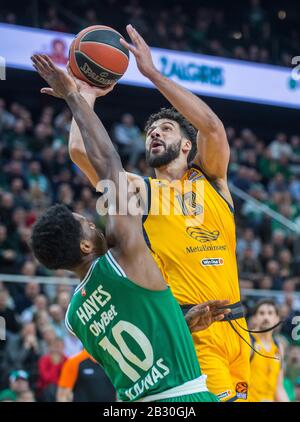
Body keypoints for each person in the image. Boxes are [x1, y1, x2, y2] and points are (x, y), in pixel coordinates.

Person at [63, 25, 251, 401]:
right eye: (150, 131)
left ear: (186, 144)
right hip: (193, 332)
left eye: (165, 128)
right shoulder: (139, 191)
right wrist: (83, 94)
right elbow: (81, 152)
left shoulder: (213, 180)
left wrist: (151, 73)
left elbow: (212, 128)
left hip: (240, 331)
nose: (155, 134)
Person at [248, 300, 289, 402]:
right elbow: (238, 379)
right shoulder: (248, 341)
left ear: (277, 319)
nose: (266, 317)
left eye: (270, 313)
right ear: (254, 318)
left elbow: (279, 387)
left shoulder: (279, 347)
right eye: (261, 313)